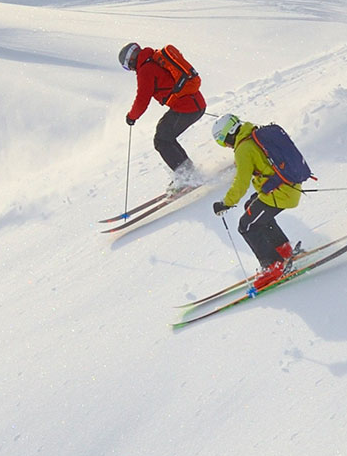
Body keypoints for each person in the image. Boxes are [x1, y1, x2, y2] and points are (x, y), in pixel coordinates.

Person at [209, 113, 303, 289]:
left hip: (280, 192)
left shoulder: (243, 149)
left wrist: (226, 203)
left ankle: (272, 266)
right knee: (250, 207)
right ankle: (283, 250)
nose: (227, 146)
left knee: (247, 226)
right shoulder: (254, 134)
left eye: (223, 141)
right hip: (288, 186)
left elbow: (241, 182)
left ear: (229, 134)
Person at [120, 42, 206, 191]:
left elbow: (142, 99)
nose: (131, 70)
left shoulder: (145, 70)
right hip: (193, 104)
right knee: (165, 135)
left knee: (162, 140)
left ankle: (187, 176)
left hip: (187, 108)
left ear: (131, 61)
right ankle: (188, 174)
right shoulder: (154, 58)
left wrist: (132, 116)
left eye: (127, 67)